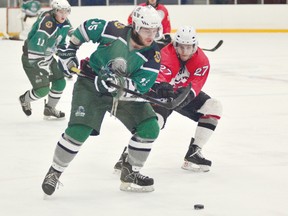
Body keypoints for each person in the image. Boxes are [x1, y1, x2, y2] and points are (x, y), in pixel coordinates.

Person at [41, 5, 162, 196]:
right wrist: (69, 50)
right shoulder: (115, 30)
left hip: (120, 93)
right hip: (90, 84)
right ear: (136, 27)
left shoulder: (153, 54)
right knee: (78, 131)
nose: (151, 35)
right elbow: (86, 28)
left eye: (155, 30)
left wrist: (118, 83)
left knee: (150, 127)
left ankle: (130, 172)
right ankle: (54, 172)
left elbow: (140, 86)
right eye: (147, 30)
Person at [114, 26, 223, 173]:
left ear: (195, 46)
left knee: (214, 106)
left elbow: (196, 84)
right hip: (164, 95)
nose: (185, 52)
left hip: (182, 93)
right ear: (175, 45)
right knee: (154, 123)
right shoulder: (166, 54)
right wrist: (162, 86)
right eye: (181, 47)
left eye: (189, 47)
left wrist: (188, 94)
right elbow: (160, 77)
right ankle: (128, 155)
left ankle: (194, 152)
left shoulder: (202, 60)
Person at [19, 0, 73, 119]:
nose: (64, 15)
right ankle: (24, 99)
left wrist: (66, 57)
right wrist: (41, 63)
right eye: (60, 11)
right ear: (55, 11)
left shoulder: (64, 22)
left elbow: (61, 42)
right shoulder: (47, 23)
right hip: (32, 59)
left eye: (66, 11)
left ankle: (49, 109)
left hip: (47, 57)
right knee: (42, 90)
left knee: (60, 82)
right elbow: (36, 46)